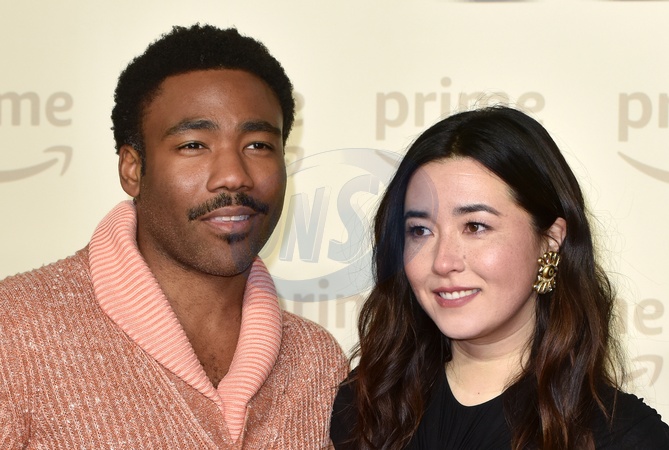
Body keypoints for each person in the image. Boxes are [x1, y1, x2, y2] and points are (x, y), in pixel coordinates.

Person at [0, 24, 348, 448]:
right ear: (133, 169)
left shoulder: (317, 363)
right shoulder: (16, 331)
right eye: (194, 145)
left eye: (258, 145)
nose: (234, 175)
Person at [330, 106, 669, 449]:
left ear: (550, 240)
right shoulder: (363, 407)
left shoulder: (623, 437)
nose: (443, 262)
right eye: (420, 230)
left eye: (475, 226)